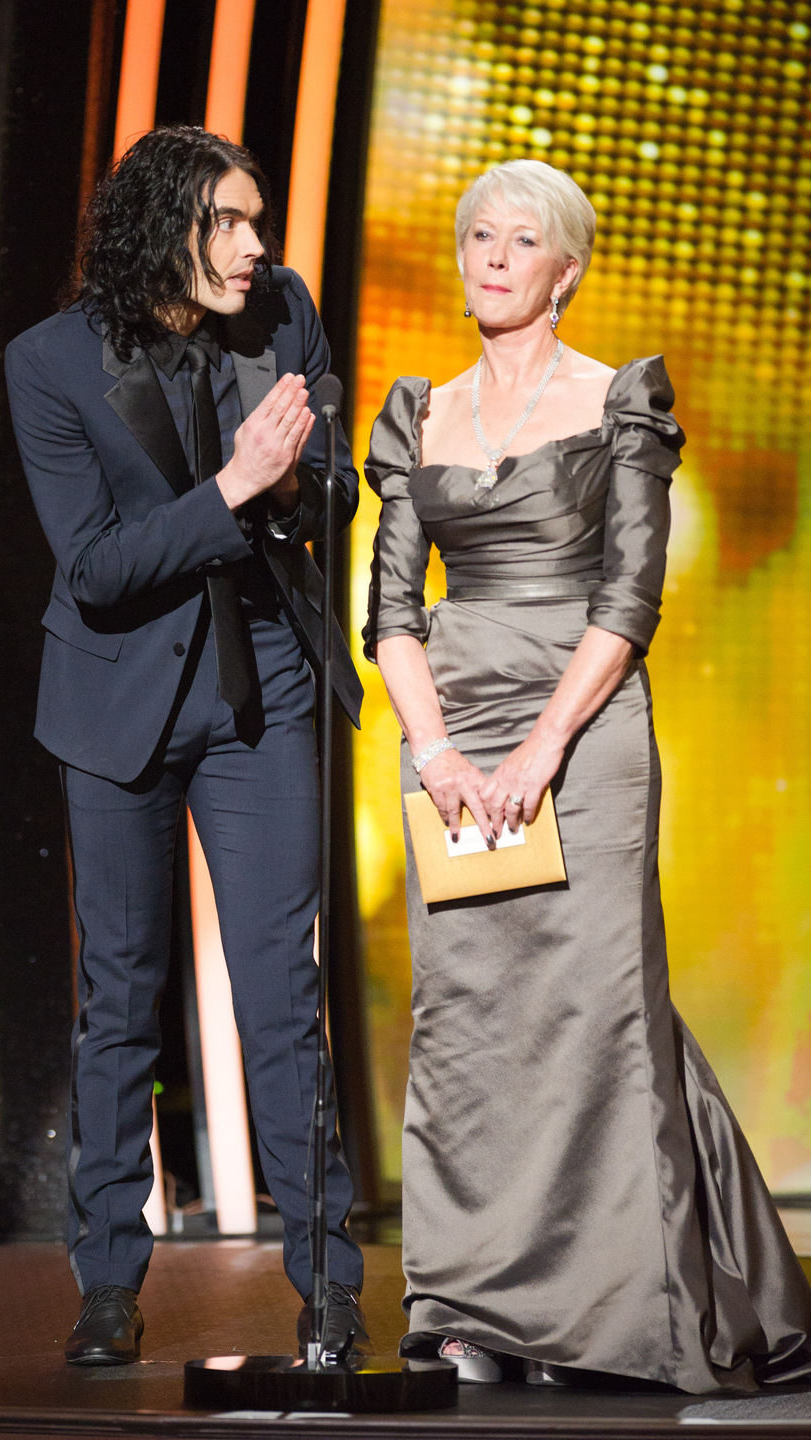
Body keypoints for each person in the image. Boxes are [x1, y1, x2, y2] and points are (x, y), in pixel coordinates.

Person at [363, 158, 811, 1393]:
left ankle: (612, 1310)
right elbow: (390, 610)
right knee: (472, 1015)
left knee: (601, 1002)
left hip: (586, 723)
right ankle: (472, 1309)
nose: (489, 257)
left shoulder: (621, 400)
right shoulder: (419, 412)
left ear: (567, 268)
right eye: (476, 238)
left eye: (519, 240)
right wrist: (444, 751)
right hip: (453, 730)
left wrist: (543, 749)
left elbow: (629, 597)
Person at [5, 125, 368, 1365]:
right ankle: (108, 1280)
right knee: (122, 999)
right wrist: (231, 492)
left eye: (260, 221)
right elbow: (100, 568)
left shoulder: (283, 314)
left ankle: (330, 1281)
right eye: (232, 222)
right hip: (118, 704)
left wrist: (296, 481)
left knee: (282, 992)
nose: (259, 246)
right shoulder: (49, 362)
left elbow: (334, 497)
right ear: (165, 227)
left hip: (260, 683)